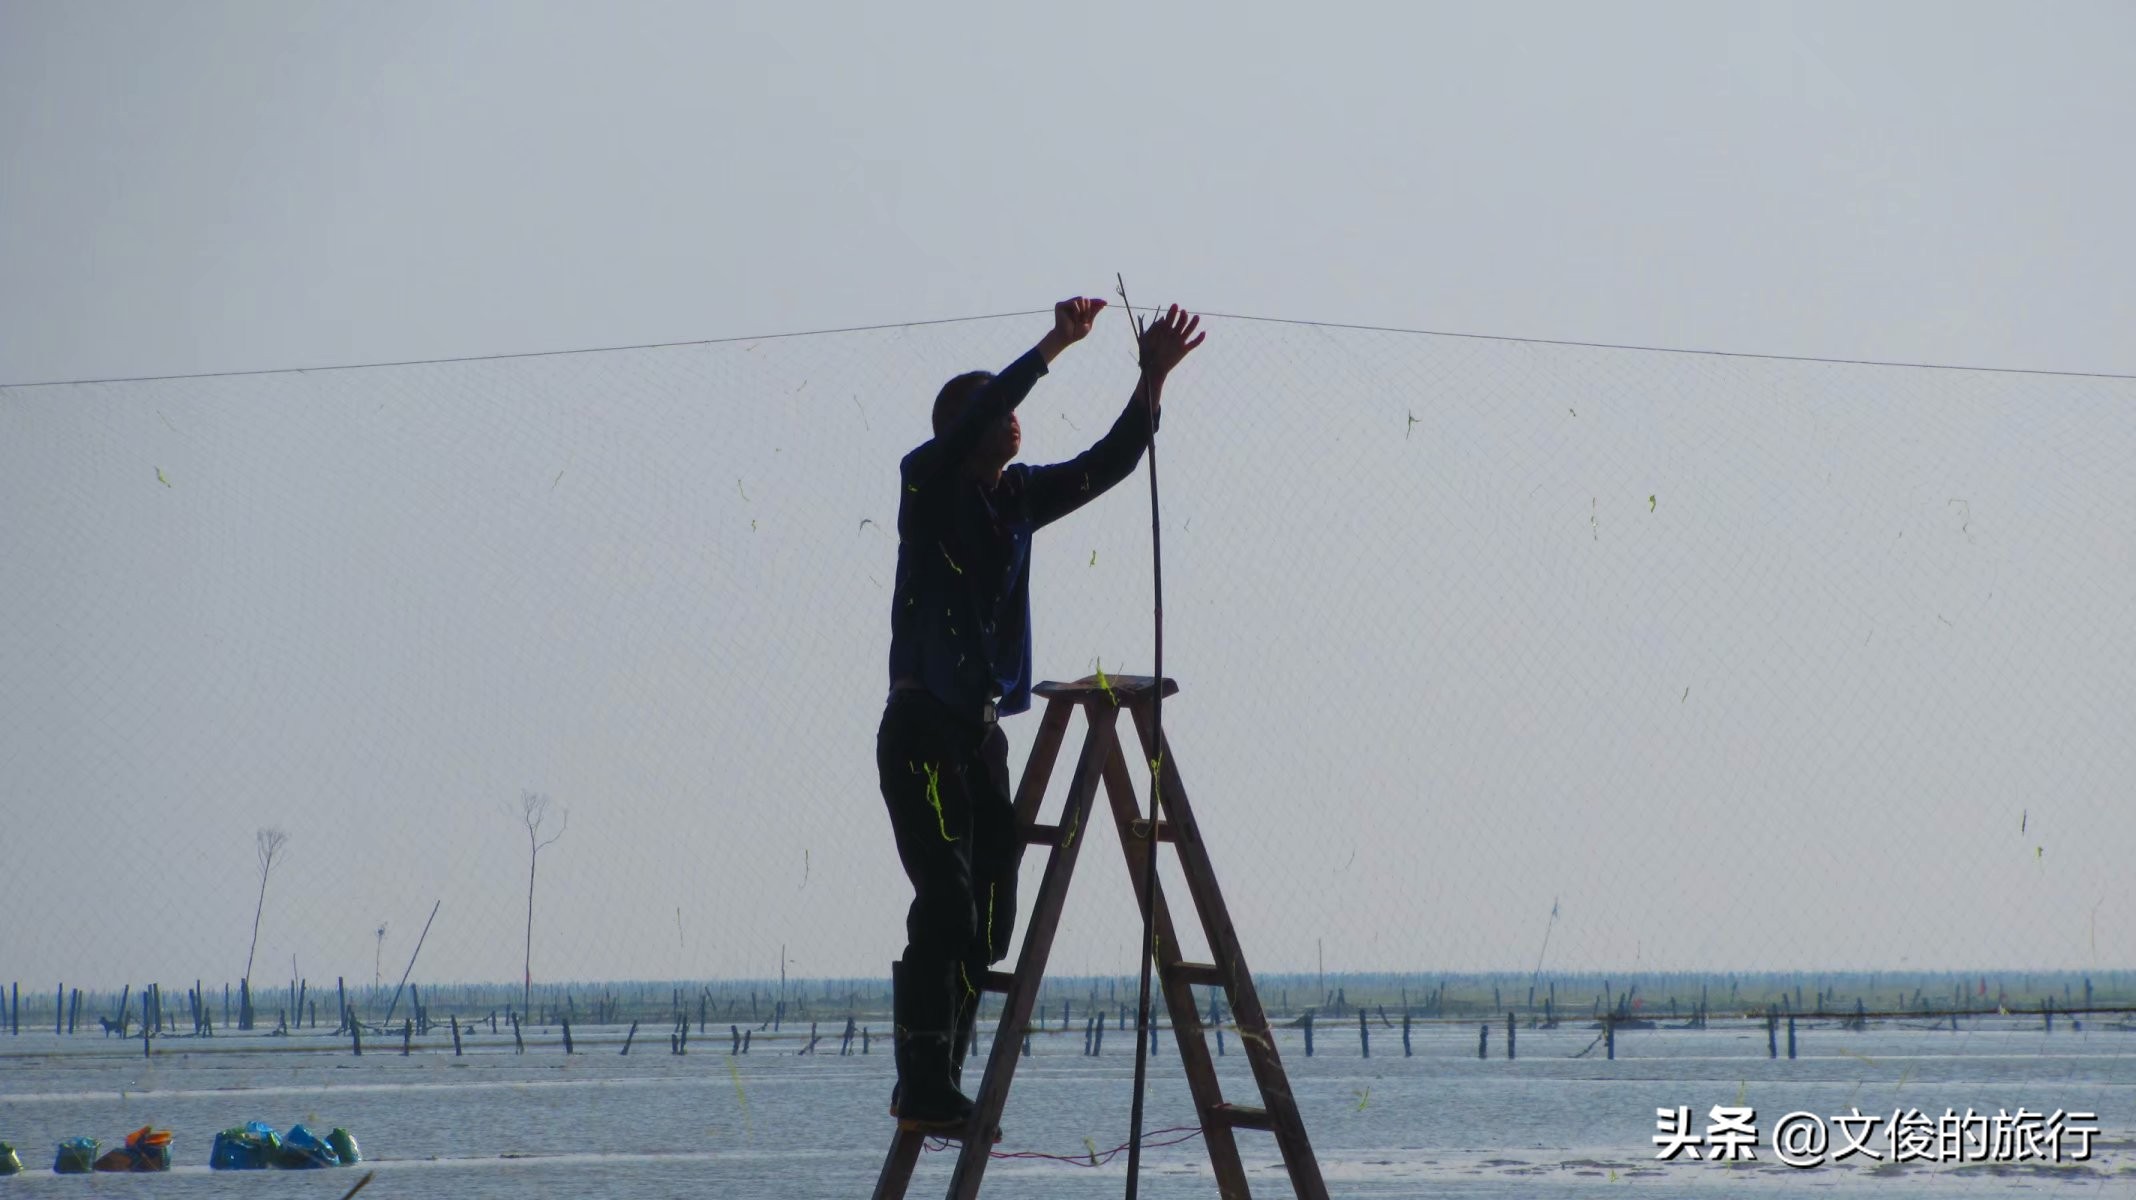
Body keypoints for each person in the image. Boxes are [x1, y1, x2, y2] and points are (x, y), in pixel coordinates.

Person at [876, 296, 1204, 1134]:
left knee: (988, 923)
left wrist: (1151, 380)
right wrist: (1054, 345)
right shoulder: (926, 485)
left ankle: (939, 1081)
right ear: (964, 431)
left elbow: (1110, 463)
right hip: (920, 733)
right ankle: (921, 1079)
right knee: (945, 905)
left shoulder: (1014, 501)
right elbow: (981, 412)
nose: (1014, 423)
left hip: (981, 737)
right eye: (999, 414)